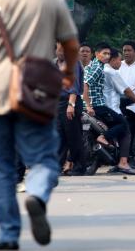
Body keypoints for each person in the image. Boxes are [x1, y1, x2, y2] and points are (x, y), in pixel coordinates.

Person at [0, 0, 79, 249]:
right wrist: (68, 74)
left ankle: (9, 235)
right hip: (35, 92)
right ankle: (36, 193)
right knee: (44, 157)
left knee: (1, 169)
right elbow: (70, 44)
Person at [83, 43, 135, 175]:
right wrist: (88, 105)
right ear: (96, 54)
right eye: (104, 54)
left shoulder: (94, 66)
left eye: (108, 54)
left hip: (94, 105)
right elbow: (85, 85)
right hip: (98, 105)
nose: (106, 56)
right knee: (124, 125)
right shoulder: (101, 69)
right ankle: (107, 142)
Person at [56, 43, 86, 176]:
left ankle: (79, 166)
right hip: (57, 103)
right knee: (58, 136)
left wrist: (71, 105)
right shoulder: (53, 63)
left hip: (70, 101)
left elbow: (74, 85)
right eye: (60, 49)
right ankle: (57, 166)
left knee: (73, 136)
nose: (62, 52)